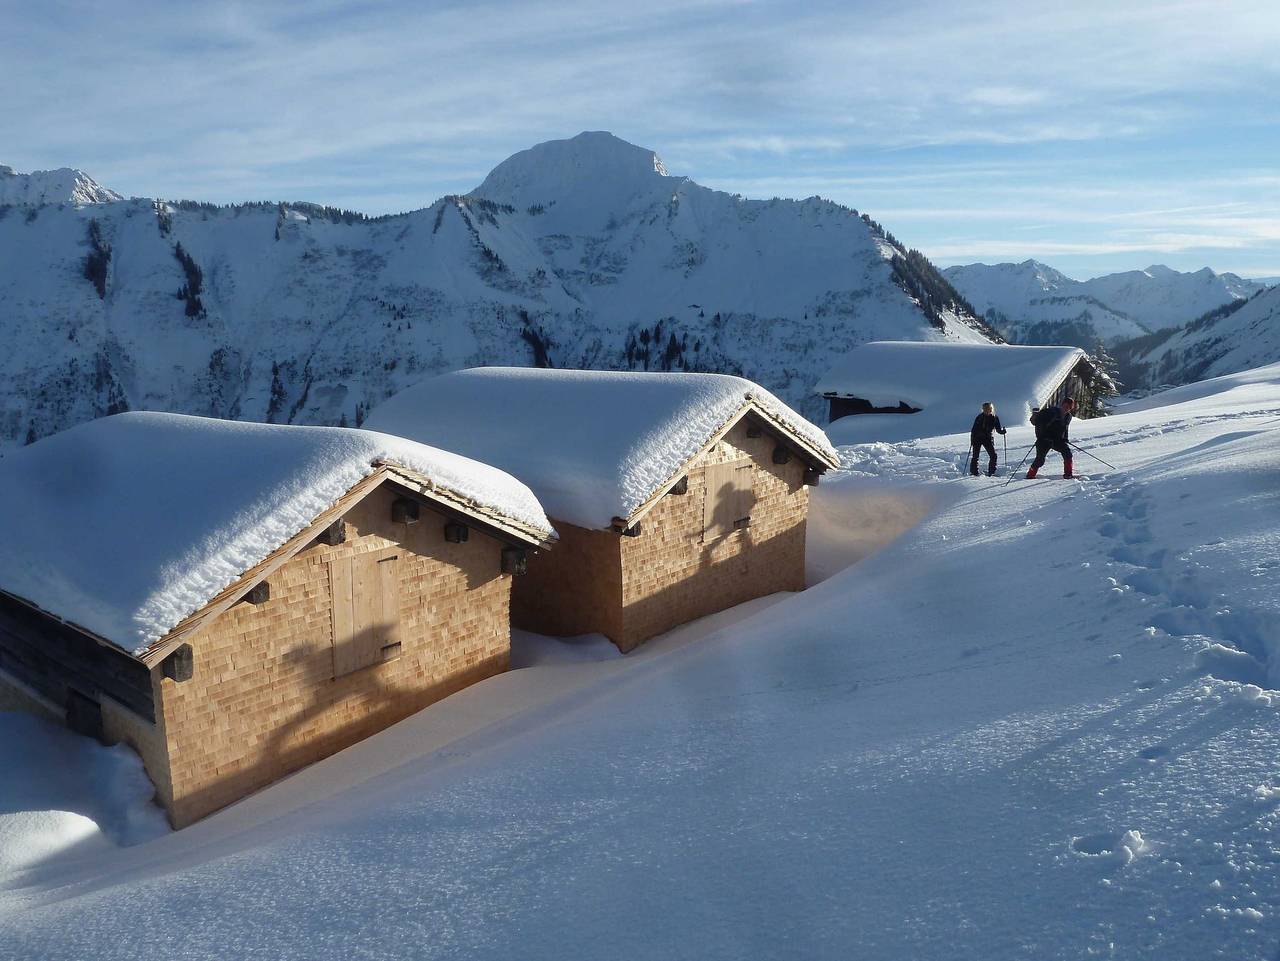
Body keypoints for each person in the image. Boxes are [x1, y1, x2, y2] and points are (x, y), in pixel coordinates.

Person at [1026, 397, 1076, 479]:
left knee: (1067, 453)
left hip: (1057, 440)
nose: (1067, 408)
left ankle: (1068, 474)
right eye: (1066, 405)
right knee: (1040, 460)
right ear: (1062, 404)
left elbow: (1065, 428)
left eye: (1070, 407)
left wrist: (1065, 438)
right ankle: (1030, 475)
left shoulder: (1068, 416)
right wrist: (1041, 437)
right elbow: (1039, 425)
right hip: (1044, 439)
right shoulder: (1052, 412)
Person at [969, 401, 1006, 476]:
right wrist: (972, 440)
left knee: (992, 455)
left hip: (985, 439)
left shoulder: (993, 417)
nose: (986, 410)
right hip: (979, 438)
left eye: (988, 409)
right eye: (985, 409)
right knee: (977, 456)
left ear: (991, 409)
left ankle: (990, 472)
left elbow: (998, 429)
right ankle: (975, 472)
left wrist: (1002, 432)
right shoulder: (982, 417)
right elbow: (974, 430)